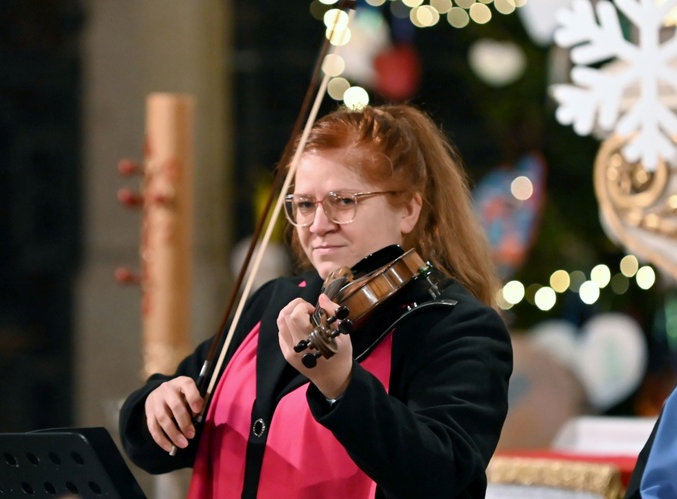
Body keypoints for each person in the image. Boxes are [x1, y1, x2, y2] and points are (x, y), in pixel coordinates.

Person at [119, 104, 513, 498]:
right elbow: (161, 443)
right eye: (305, 204)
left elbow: (444, 477)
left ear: (408, 209)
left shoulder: (455, 325)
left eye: (343, 201)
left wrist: (342, 387)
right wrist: (158, 404)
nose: (319, 225)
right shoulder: (275, 300)